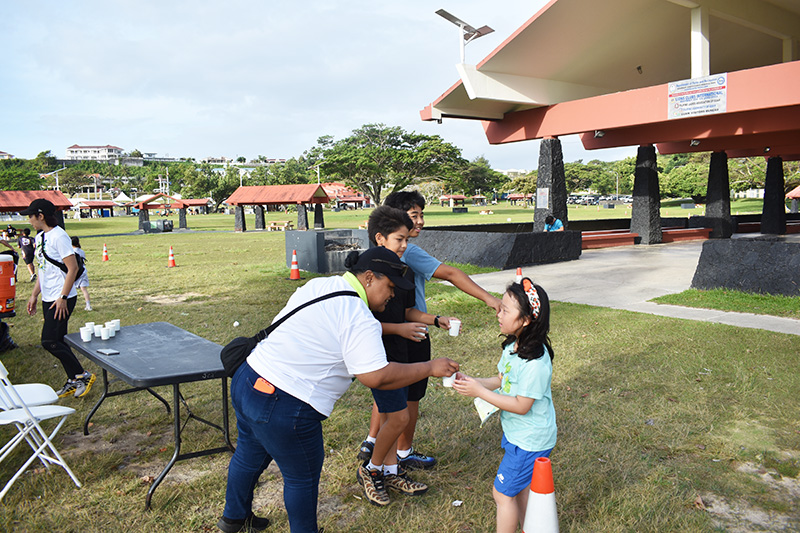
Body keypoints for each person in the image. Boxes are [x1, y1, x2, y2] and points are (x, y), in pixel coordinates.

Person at [219, 246, 459, 533]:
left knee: (247, 455)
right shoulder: (359, 316)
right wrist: (430, 368)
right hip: (285, 405)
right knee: (301, 479)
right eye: (390, 287)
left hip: (249, 378)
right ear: (369, 277)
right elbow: (376, 376)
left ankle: (233, 518)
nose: (393, 295)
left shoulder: (321, 284)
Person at [381, 190, 501, 470]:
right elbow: (451, 274)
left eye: (422, 215)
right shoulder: (408, 250)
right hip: (411, 332)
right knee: (409, 396)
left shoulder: (386, 249)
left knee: (388, 391)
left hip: (400, 327)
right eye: (414, 216)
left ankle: (375, 444)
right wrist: (489, 298)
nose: (421, 221)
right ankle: (401, 453)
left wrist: (435, 319)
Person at [357, 206, 458, 506]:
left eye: (406, 239)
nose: (404, 245)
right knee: (398, 416)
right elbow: (364, 323)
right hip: (380, 356)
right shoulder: (369, 276)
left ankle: (390, 470)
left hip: (401, 354)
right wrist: (399, 330)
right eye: (399, 239)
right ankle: (372, 470)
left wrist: (435, 320)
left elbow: (407, 310)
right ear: (379, 238)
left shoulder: (402, 271)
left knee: (395, 414)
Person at [453, 278, 557, 533]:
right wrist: (474, 382)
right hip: (517, 435)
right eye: (501, 307)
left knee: (501, 494)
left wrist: (479, 392)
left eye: (506, 310)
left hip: (531, 441)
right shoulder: (513, 345)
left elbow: (522, 405)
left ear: (526, 320)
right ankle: (529, 527)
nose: (498, 313)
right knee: (518, 489)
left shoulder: (536, 362)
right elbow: (502, 380)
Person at [21, 199, 96, 399]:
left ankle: (82, 375)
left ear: (41, 215)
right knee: (59, 339)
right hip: (49, 297)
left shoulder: (59, 236)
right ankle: (73, 379)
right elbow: (44, 269)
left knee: (49, 341)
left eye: (31, 216)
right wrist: (34, 295)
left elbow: (72, 268)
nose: (29, 220)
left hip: (62, 297)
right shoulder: (40, 237)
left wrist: (63, 297)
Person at [71, 236, 92, 311]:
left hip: (74, 272)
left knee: (70, 289)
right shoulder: (81, 251)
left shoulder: (71, 252)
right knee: (84, 289)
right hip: (82, 271)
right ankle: (88, 305)